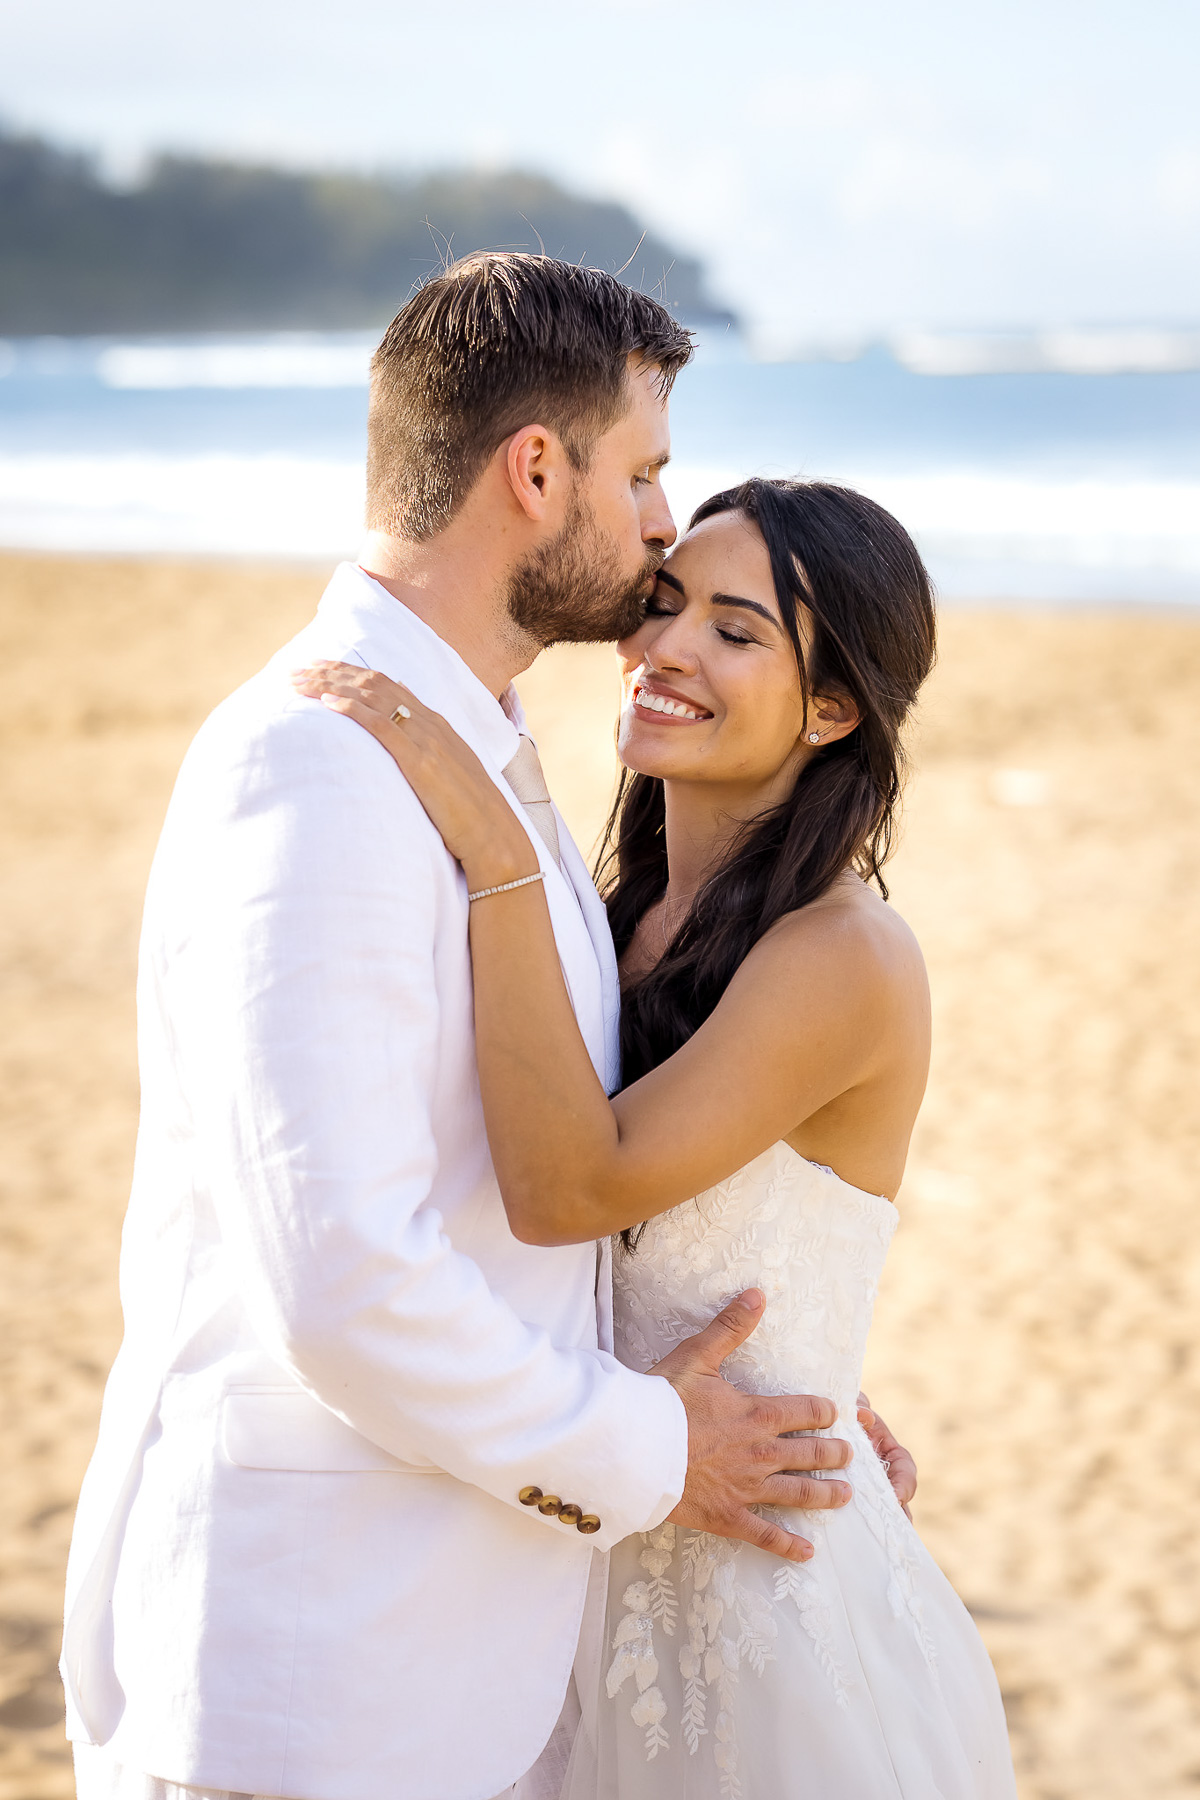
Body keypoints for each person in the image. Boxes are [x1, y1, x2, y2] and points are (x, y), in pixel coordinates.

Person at [62, 256, 916, 1800]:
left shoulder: (487, 750)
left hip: (478, 1661)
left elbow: (546, 1176)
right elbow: (347, 1282)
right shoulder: (321, 763)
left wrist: (791, 1365)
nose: (660, 521)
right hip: (321, 1682)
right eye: (644, 472)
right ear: (538, 470)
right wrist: (667, 1452)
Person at [293, 473, 1018, 1797]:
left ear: (833, 707)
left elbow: (577, 1182)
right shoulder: (619, 912)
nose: (666, 647)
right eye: (667, 603)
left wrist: (491, 842)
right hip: (585, 1555)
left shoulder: (841, 955)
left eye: (737, 632)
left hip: (756, 1611)